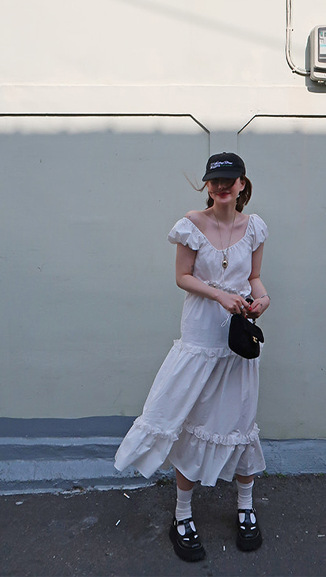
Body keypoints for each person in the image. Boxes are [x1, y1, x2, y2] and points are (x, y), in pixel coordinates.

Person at [114, 152, 270, 562]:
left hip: (236, 341)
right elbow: (182, 276)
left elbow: (253, 278)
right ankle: (182, 515)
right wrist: (219, 293)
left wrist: (263, 299)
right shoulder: (191, 225)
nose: (221, 187)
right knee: (191, 420)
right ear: (208, 186)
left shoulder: (254, 227)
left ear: (241, 184)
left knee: (240, 421)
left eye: (229, 180)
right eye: (214, 181)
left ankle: (245, 507)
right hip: (201, 334)